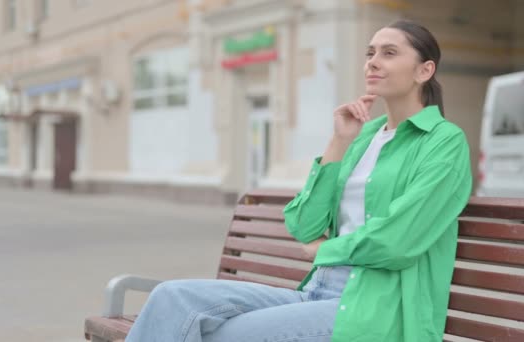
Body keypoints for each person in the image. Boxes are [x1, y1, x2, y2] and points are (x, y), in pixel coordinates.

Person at [125, 19, 472, 342]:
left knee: (220, 335)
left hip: (377, 305)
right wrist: (339, 142)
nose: (373, 62)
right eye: (370, 53)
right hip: (317, 289)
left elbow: (399, 240)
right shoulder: (364, 136)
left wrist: (328, 250)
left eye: (389, 53)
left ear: (425, 70)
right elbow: (305, 225)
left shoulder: (443, 142)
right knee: (172, 299)